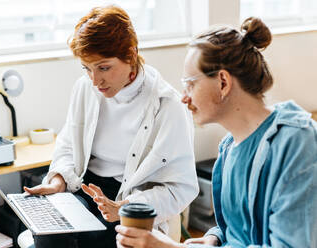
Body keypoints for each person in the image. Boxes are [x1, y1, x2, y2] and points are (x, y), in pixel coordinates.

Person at [115, 17, 317, 248]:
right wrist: (215, 237)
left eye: (190, 84)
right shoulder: (229, 147)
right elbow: (235, 228)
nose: (184, 97)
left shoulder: (298, 143)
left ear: (223, 82)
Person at [23, 5, 199, 248]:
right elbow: (67, 145)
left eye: (104, 67)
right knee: (47, 236)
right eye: (87, 68)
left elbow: (182, 189)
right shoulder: (85, 87)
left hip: (129, 203)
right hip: (83, 187)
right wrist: (58, 180)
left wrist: (124, 209)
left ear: (131, 54)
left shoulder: (169, 106)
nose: (95, 80)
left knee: (90, 241)